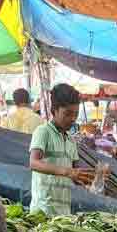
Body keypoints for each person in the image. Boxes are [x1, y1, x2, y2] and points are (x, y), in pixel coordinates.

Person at [28, 83, 93, 215]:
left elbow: (75, 175)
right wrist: (67, 172)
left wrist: (93, 177)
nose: (73, 119)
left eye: (75, 114)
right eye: (67, 114)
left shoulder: (71, 141)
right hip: (43, 210)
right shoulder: (43, 132)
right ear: (54, 110)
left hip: (64, 212)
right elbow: (34, 163)